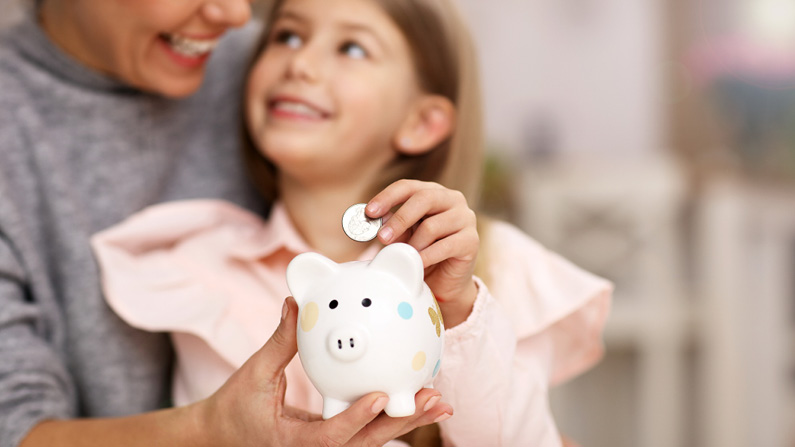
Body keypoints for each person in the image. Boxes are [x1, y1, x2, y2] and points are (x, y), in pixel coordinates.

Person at [92, 0, 613, 445]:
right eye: (288, 35)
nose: (301, 64)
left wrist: (455, 314)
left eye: (353, 48)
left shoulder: (493, 269)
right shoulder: (200, 266)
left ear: (421, 123)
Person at [0, 0, 445, 446]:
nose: (235, 14)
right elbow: (14, 428)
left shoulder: (269, 69)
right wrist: (210, 432)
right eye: (288, 37)